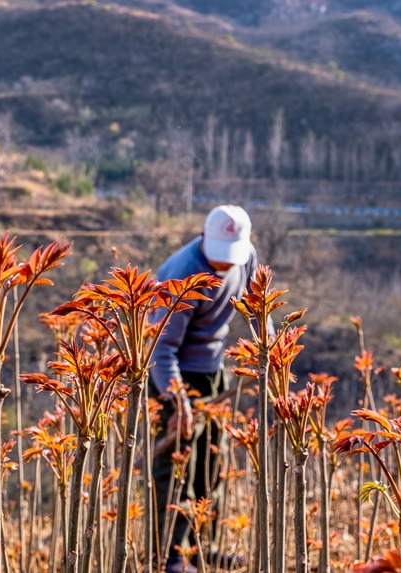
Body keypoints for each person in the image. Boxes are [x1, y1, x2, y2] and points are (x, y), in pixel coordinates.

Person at [150, 204, 261, 573]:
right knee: (179, 466)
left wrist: (268, 349)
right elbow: (161, 349)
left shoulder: (245, 257)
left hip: (214, 373)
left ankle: (202, 547)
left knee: (211, 463)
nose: (226, 265)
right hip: (175, 376)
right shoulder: (181, 276)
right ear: (203, 237)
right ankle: (171, 556)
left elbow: (258, 309)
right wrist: (176, 401)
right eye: (220, 257)